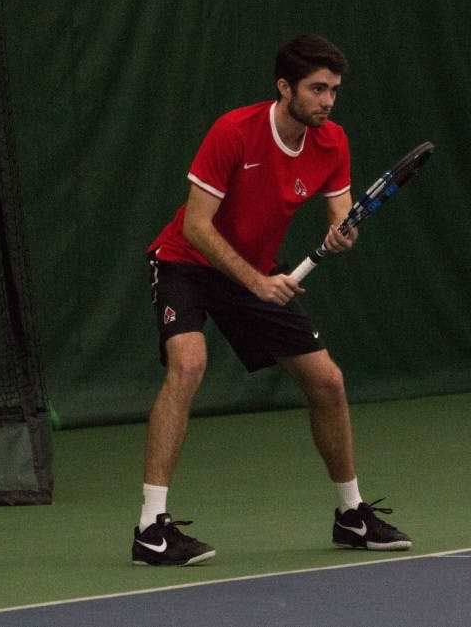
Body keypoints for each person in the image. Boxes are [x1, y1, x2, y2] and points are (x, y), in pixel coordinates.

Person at [131, 34, 411, 566]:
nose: (327, 100)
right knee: (188, 365)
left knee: (327, 380)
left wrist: (343, 235)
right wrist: (256, 282)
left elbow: (342, 219)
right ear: (285, 87)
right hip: (187, 262)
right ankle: (151, 527)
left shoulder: (333, 142)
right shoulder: (234, 131)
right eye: (317, 89)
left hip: (256, 269)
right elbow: (195, 224)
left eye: (334, 90)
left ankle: (350, 516)